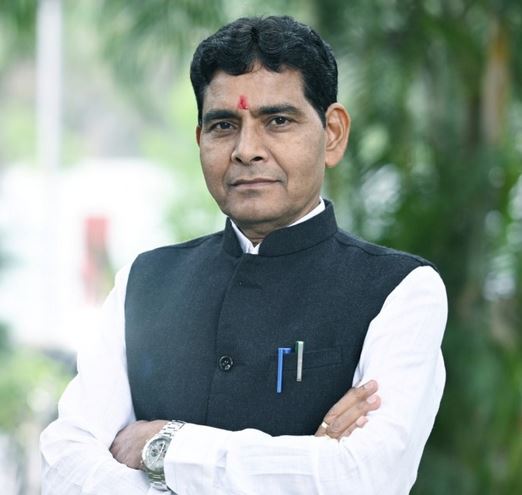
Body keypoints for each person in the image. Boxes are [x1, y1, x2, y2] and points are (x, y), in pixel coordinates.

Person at [40, 15, 447, 495]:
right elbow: (64, 468)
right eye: (223, 125)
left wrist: (164, 445)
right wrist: (301, 466)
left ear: (333, 133)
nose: (246, 150)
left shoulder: (399, 291)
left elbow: (362, 477)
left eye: (278, 121)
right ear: (200, 141)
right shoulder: (145, 283)